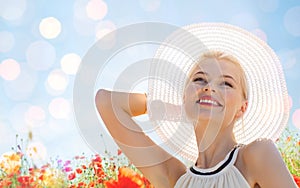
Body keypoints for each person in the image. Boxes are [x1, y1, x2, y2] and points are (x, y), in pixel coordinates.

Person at [95, 23, 297, 187]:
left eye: (226, 83)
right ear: (184, 97)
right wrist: (171, 109)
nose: (209, 88)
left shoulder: (256, 155)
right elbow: (106, 102)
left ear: (242, 108)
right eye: (200, 79)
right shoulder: (175, 178)